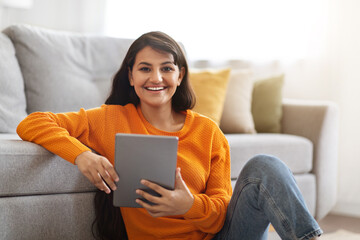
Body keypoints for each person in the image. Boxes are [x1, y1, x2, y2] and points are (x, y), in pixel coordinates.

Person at [17, 31, 322, 240]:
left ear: (180, 75)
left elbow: (219, 217)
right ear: (131, 76)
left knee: (265, 167)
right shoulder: (110, 119)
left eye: (166, 68)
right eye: (145, 69)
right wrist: (82, 155)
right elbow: (32, 123)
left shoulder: (208, 132)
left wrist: (188, 206)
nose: (156, 78)